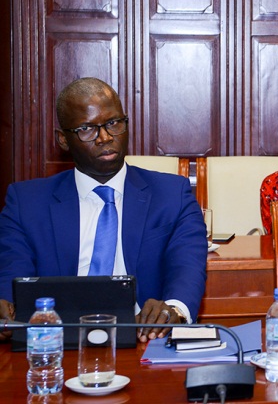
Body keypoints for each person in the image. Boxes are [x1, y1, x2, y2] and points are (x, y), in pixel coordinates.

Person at [0, 77, 207, 342]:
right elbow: (12, 275)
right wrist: (5, 307)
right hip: (54, 341)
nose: (105, 137)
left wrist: (174, 309)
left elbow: (187, 267)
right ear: (63, 140)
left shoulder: (172, 194)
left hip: (143, 339)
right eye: (87, 129)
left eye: (113, 123)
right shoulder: (27, 202)